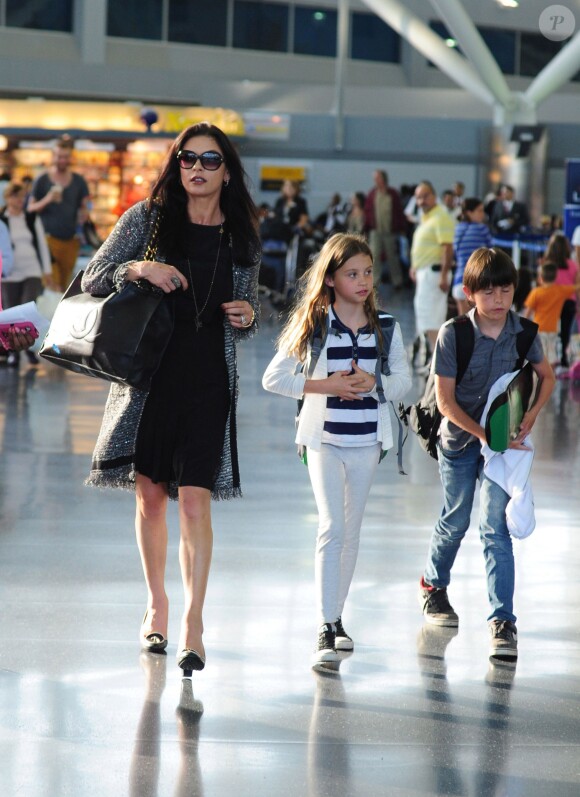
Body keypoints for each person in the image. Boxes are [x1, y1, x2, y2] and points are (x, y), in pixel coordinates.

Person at [81, 122, 261, 675]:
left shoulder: (240, 235)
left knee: (195, 501)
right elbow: (91, 276)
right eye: (188, 159)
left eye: (210, 160)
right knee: (151, 499)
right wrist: (139, 267)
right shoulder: (147, 220)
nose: (198, 169)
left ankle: (193, 621)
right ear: (177, 165)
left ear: (227, 170)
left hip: (208, 381)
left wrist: (248, 315)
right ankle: (156, 603)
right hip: (148, 381)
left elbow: (248, 306)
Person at [262, 233, 411, 670]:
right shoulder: (313, 325)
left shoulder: (386, 327)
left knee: (351, 531)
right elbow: (274, 378)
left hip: (367, 441)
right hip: (323, 439)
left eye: (367, 272)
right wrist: (328, 385)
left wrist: (374, 383)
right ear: (329, 279)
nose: (362, 280)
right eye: (351, 274)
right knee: (331, 527)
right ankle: (325, 625)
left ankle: (336, 617)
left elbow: (405, 382)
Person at [419, 247, 554, 661]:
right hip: (460, 442)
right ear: (469, 292)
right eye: (488, 291)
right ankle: (433, 585)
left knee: (495, 529)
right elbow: (444, 402)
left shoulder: (525, 333)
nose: (498, 300)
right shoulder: (453, 334)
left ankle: (502, 620)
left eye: (506, 290)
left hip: (502, 449)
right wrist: (485, 436)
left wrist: (530, 415)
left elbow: (545, 377)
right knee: (456, 518)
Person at [28, 135, 90, 290]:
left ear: (70, 157)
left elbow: (85, 205)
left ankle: (56, 312)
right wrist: (47, 199)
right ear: (53, 156)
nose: (62, 160)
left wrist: (84, 212)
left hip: (71, 240)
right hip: (48, 240)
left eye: (66, 157)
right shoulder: (42, 180)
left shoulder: (78, 180)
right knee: (51, 283)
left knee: (64, 285)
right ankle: (48, 313)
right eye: (59, 156)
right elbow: (30, 208)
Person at [410, 181, 455, 357]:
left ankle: (439, 364)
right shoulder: (426, 218)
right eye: (418, 197)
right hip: (425, 274)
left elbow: (447, 248)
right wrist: (415, 267)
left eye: (425, 196)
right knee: (426, 320)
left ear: (434, 197)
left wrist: (443, 275)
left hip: (435, 274)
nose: (421, 201)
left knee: (433, 322)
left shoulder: (441, 217)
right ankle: (434, 363)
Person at [523, 262, 579, 369]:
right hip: (553, 330)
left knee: (538, 356)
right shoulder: (560, 290)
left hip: (538, 329)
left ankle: (538, 380)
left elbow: (527, 313)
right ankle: (550, 378)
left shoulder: (536, 292)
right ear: (555, 277)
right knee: (552, 357)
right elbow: (576, 287)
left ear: (540, 278)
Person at [538, 231, 579, 367]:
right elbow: (576, 285)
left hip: (552, 302)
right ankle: (564, 358)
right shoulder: (572, 265)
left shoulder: (548, 265)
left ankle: (550, 356)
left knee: (551, 331)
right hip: (569, 302)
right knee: (566, 331)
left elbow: (542, 285)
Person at [363, 169, 406, 288]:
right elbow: (367, 212)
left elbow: (398, 211)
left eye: (377, 178)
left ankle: (397, 280)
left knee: (392, 256)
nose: (375, 180)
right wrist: (366, 227)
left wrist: (401, 227)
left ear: (383, 179)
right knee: (374, 255)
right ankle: (374, 281)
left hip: (389, 231)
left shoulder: (392, 193)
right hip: (375, 230)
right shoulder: (372, 194)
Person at [452, 198, 493, 315]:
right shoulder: (482, 229)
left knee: (462, 322)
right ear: (469, 213)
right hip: (476, 282)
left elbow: (455, 252)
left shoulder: (458, 228)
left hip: (458, 282)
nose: (482, 214)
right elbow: (492, 252)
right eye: (479, 211)